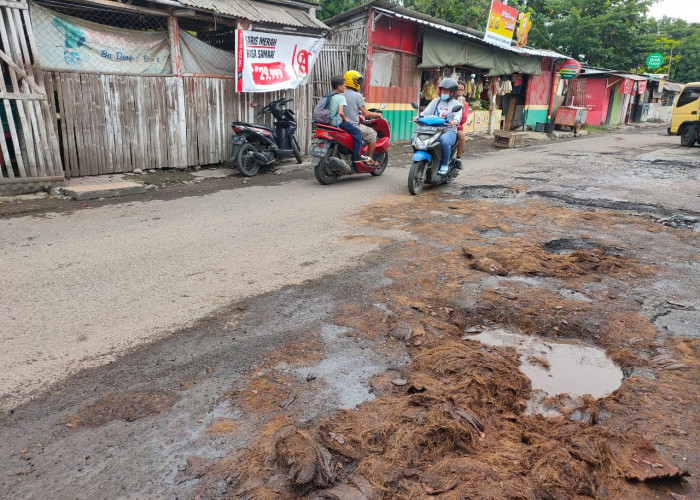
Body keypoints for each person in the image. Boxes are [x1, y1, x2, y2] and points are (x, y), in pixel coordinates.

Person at [416, 78, 462, 174]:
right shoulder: (435, 102)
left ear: (452, 92)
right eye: (442, 90)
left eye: (446, 90)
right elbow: (425, 113)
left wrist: (455, 121)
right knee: (414, 138)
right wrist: (418, 117)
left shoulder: (456, 104)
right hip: (432, 130)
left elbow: (458, 115)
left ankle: (444, 164)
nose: (443, 92)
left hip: (448, 130)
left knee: (444, 140)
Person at [327, 75, 371, 164]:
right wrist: (345, 118)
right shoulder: (341, 97)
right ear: (339, 87)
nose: (345, 87)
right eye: (344, 85)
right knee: (357, 133)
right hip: (337, 122)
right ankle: (357, 156)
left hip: (328, 122)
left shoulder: (329, 95)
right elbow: (340, 112)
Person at [343, 70, 381, 166]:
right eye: (359, 81)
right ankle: (369, 159)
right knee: (373, 134)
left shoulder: (339, 93)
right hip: (352, 125)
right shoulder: (357, 95)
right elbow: (366, 113)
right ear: (355, 81)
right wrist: (378, 115)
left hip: (339, 124)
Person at [455, 80, 471, 169]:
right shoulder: (450, 100)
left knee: (462, 135)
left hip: (457, 127)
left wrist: (463, 107)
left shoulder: (465, 103)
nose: (460, 92)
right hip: (445, 125)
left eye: (462, 90)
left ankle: (458, 159)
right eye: (458, 90)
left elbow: (463, 120)